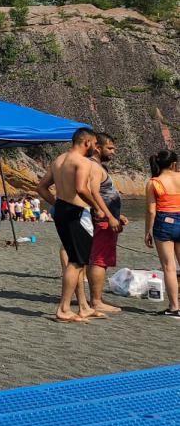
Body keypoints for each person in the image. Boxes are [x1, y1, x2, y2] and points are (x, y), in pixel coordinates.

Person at [36, 127, 104, 322]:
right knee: (76, 262)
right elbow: (82, 189)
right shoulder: (82, 161)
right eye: (94, 144)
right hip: (77, 214)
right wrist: (96, 207)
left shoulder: (58, 160)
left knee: (78, 260)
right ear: (87, 142)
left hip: (62, 212)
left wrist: (57, 203)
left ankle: (83, 306)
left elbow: (41, 187)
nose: (95, 148)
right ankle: (64, 308)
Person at [87, 133, 127, 314]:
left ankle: (97, 298)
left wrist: (117, 215)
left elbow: (103, 195)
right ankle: (96, 301)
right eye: (110, 148)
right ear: (98, 148)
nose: (113, 152)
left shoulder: (97, 167)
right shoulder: (95, 167)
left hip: (107, 218)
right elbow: (94, 192)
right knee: (99, 260)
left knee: (99, 259)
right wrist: (109, 217)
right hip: (103, 222)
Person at [145, 149, 180, 317]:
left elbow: (151, 211)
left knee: (169, 267)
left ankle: (174, 307)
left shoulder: (154, 182)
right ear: (174, 164)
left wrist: (147, 231)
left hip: (164, 223)